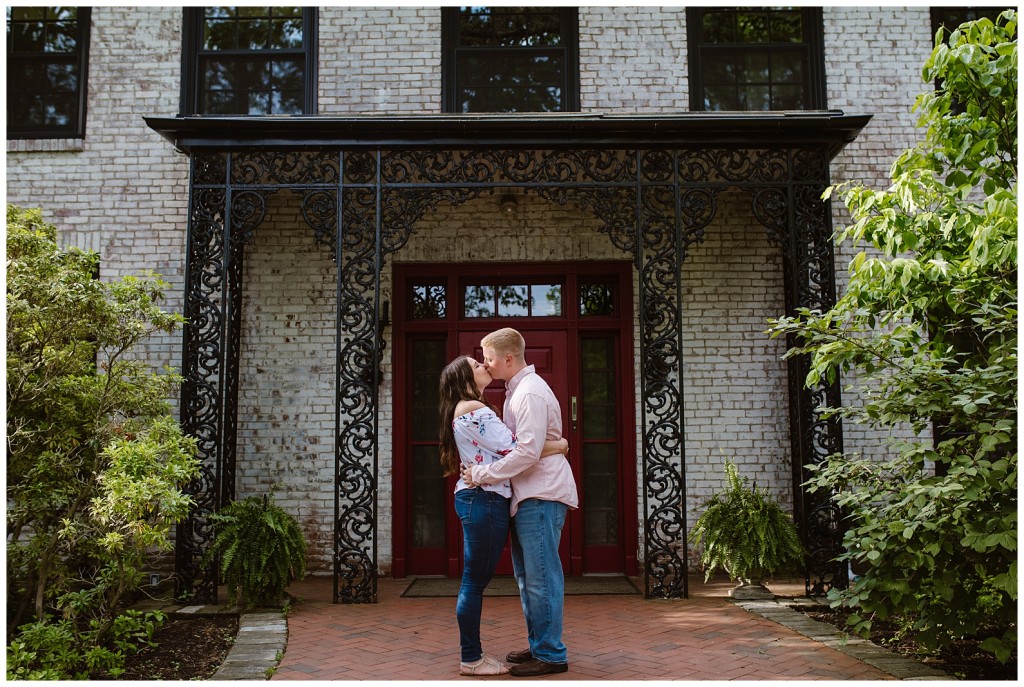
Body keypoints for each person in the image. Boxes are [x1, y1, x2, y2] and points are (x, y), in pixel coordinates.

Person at [439, 355, 568, 677]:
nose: (485, 366)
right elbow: (518, 448)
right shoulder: (473, 408)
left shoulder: (471, 408)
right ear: (466, 378)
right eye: (477, 365)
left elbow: (512, 448)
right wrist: (560, 444)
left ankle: (532, 645)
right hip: (483, 499)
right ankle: (471, 659)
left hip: (484, 499)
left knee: (480, 581)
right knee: (473, 582)